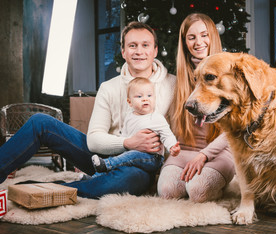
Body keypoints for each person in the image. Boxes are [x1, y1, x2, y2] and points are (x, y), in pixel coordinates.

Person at [0, 21, 176, 199]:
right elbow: (93, 140)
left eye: (145, 45)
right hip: (102, 159)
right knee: (40, 122)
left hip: (140, 167)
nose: (139, 51)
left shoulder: (173, 85)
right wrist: (127, 143)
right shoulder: (108, 87)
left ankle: (47, 189)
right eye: (132, 45)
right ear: (123, 52)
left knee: (126, 180)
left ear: (155, 50)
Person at [157, 13, 235, 203]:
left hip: (218, 154)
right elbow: (165, 121)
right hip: (183, 150)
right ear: (185, 43)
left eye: (204, 35)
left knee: (199, 191)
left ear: (213, 37)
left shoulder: (228, 76)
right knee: (168, 192)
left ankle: (216, 186)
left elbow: (235, 127)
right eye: (191, 37)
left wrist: (204, 155)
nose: (198, 42)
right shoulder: (177, 81)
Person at [91, 77, 180, 174]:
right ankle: (95, 177)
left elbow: (167, 135)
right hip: (131, 153)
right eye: (139, 96)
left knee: (130, 156)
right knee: (121, 159)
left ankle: (106, 164)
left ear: (155, 98)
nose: (145, 99)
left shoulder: (156, 118)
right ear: (129, 102)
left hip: (153, 158)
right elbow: (125, 136)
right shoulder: (129, 117)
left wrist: (172, 146)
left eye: (149, 95)